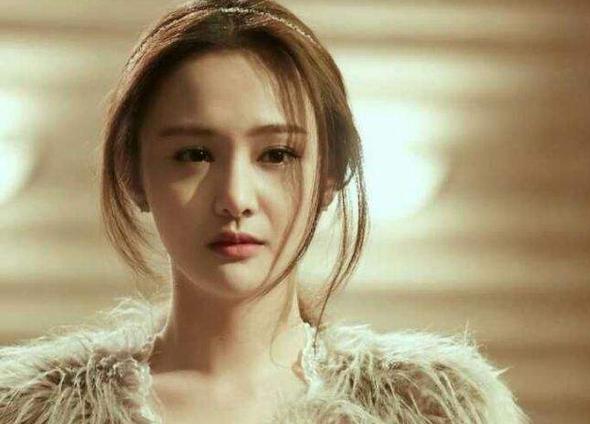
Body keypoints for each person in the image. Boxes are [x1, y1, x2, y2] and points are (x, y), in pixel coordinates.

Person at [0, 1, 528, 423]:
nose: (235, 198)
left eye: (276, 155)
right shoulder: (30, 412)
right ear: (134, 174)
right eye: (194, 154)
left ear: (330, 175)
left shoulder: (433, 409)